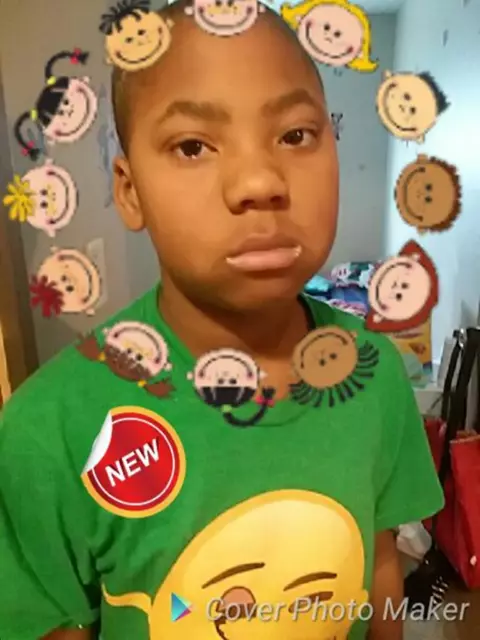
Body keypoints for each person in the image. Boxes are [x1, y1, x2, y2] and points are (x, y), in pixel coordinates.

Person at [0, 2, 443, 639]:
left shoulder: (373, 373)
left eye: (296, 135)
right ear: (130, 190)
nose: (260, 181)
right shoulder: (50, 429)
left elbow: (379, 565)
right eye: (193, 146)